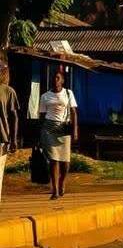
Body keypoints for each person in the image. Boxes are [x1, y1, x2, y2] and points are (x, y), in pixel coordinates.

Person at [40, 66, 78, 199]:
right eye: (54, 78)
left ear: (62, 80)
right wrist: (40, 133)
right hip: (49, 128)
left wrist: (75, 130)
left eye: (58, 78)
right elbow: (42, 115)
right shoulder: (45, 96)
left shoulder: (68, 93)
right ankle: (55, 189)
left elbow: (73, 112)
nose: (55, 80)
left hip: (64, 128)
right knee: (53, 160)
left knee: (65, 162)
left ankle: (62, 181)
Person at [0, 64, 18, 206]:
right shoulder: (8, 91)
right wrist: (14, 139)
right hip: (2, 138)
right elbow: (14, 117)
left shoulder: (8, 91)